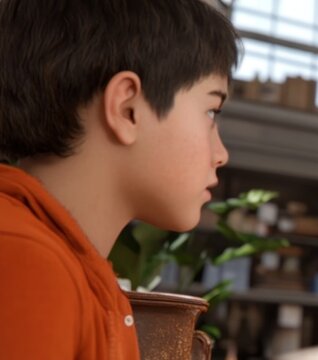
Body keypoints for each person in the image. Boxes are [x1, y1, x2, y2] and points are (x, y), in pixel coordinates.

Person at [0, 0, 239, 358]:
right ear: (128, 109)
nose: (221, 154)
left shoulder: (85, 279)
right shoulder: (26, 263)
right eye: (210, 111)